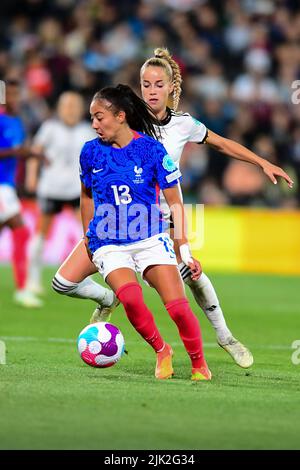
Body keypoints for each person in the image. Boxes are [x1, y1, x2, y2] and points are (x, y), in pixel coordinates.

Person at [52, 49, 293, 370]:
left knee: (192, 276)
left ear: (171, 88)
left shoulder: (183, 125)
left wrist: (262, 161)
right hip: (112, 224)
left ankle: (225, 337)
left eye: (157, 84)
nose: (151, 91)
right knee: (62, 283)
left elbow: (222, 143)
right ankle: (108, 298)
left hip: (160, 222)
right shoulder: (126, 121)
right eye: (145, 84)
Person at [78, 84, 211, 381]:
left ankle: (199, 364)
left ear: (121, 116)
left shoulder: (151, 150)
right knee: (131, 298)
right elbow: (86, 196)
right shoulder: (90, 152)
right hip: (108, 242)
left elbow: (175, 202)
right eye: (92, 118)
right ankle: (162, 350)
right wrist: (87, 236)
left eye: (100, 117)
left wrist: (184, 249)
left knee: (177, 308)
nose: (94, 124)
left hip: (150, 237)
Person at [26, 91, 96, 294]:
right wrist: (31, 175)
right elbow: (35, 152)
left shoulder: (87, 130)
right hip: (51, 187)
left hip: (78, 190)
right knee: (41, 234)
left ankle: (86, 278)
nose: (71, 110)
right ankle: (33, 279)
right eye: (67, 106)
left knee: (89, 234)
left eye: (75, 106)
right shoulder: (50, 128)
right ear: (59, 108)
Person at [0, 79, 43, 307]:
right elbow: (13, 150)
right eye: (11, 94)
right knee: (21, 230)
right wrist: (18, 151)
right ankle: (22, 289)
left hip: (7, 186)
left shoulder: (17, 122)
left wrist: (35, 156)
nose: (15, 98)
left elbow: (19, 150)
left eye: (18, 94)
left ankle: (22, 288)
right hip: (0, 186)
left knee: (19, 232)